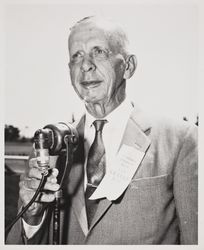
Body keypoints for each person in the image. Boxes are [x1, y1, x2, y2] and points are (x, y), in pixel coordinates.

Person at [6, 16, 198, 245]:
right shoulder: (49, 148)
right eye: (76, 55)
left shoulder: (181, 140)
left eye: (99, 52)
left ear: (128, 66)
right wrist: (31, 217)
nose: (85, 65)